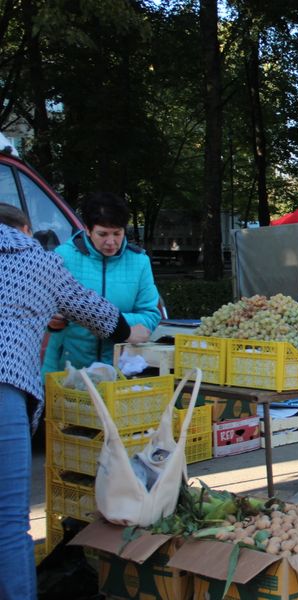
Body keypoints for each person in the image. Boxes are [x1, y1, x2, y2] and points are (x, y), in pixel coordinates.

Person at [0, 205, 151, 599]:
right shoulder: (39, 259)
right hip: (4, 389)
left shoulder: (133, 262)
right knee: (8, 523)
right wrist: (127, 330)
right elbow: (102, 317)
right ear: (27, 230)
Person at [42, 192, 160, 373]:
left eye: (117, 233)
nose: (111, 242)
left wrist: (110, 324)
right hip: (65, 368)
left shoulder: (139, 261)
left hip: (120, 371)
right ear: (88, 230)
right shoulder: (62, 257)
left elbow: (150, 315)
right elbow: (40, 310)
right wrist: (51, 322)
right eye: (102, 234)